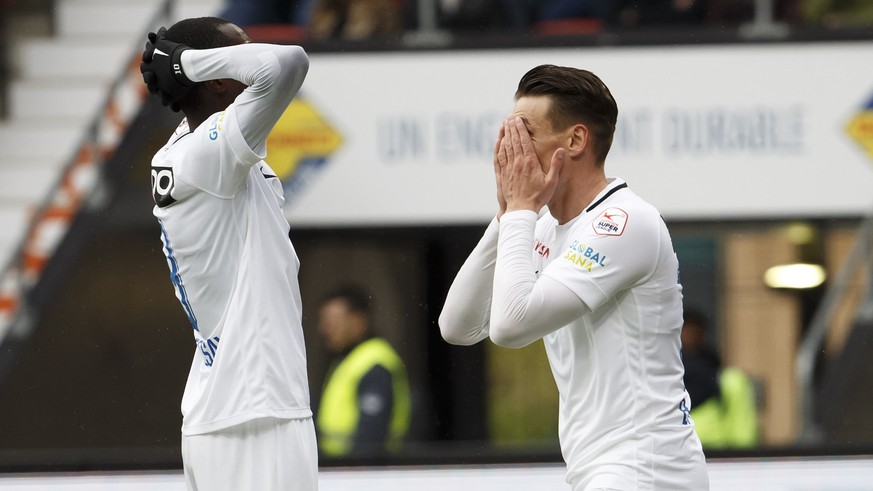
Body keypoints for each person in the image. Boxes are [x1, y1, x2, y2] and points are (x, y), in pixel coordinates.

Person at [438, 64, 709, 490]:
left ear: (576, 140)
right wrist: (508, 214)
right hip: (599, 468)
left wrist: (522, 208)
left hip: (647, 467)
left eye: (524, 131)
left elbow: (510, 327)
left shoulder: (624, 222)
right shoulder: (542, 225)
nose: (510, 148)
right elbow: (456, 326)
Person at [140, 17, 316, 491]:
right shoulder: (203, 156)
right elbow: (288, 62)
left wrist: (185, 66)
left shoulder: (195, 153)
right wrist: (188, 62)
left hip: (236, 410)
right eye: (240, 51)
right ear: (215, 75)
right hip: (254, 414)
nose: (251, 55)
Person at [315, 285, 411, 457]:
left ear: (358, 320)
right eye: (324, 322)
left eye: (333, 321)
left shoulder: (375, 362)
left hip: (359, 474)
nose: (325, 329)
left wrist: (353, 471)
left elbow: (371, 438)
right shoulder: (347, 359)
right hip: (341, 471)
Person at [681, 308, 759, 449]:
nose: (689, 335)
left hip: (719, 454)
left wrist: (744, 458)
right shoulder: (656, 375)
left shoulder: (728, 379)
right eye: (684, 330)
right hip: (678, 452)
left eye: (693, 330)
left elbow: (743, 430)